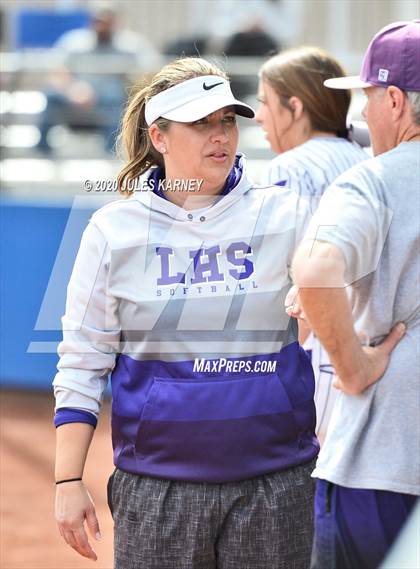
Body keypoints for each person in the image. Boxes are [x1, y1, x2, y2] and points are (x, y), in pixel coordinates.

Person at [53, 57, 320, 569]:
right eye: (201, 123)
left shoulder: (287, 213)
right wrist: (67, 480)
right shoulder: (114, 231)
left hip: (276, 481)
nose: (219, 135)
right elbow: (82, 361)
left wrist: (324, 294)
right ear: (159, 136)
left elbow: (346, 298)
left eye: (227, 121)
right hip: (157, 490)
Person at [290, 20, 420, 568]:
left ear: (395, 99)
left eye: (367, 98)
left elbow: (316, 268)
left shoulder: (376, 179)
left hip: (384, 458)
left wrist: (351, 368)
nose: (362, 114)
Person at [256, 46, 368, 441]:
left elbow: (282, 272)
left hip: (319, 348)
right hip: (368, 343)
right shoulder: (365, 156)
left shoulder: (289, 166)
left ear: (296, 107)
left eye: (265, 103)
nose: (259, 116)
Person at [37, 7, 159, 154]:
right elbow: (56, 71)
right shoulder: (74, 42)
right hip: (74, 93)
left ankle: (110, 153)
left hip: (109, 97)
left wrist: (132, 82)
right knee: (51, 97)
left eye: (106, 22)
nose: (101, 26)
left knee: (114, 96)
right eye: (98, 22)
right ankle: (41, 151)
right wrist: (72, 89)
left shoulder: (131, 45)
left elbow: (152, 70)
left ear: (115, 23)